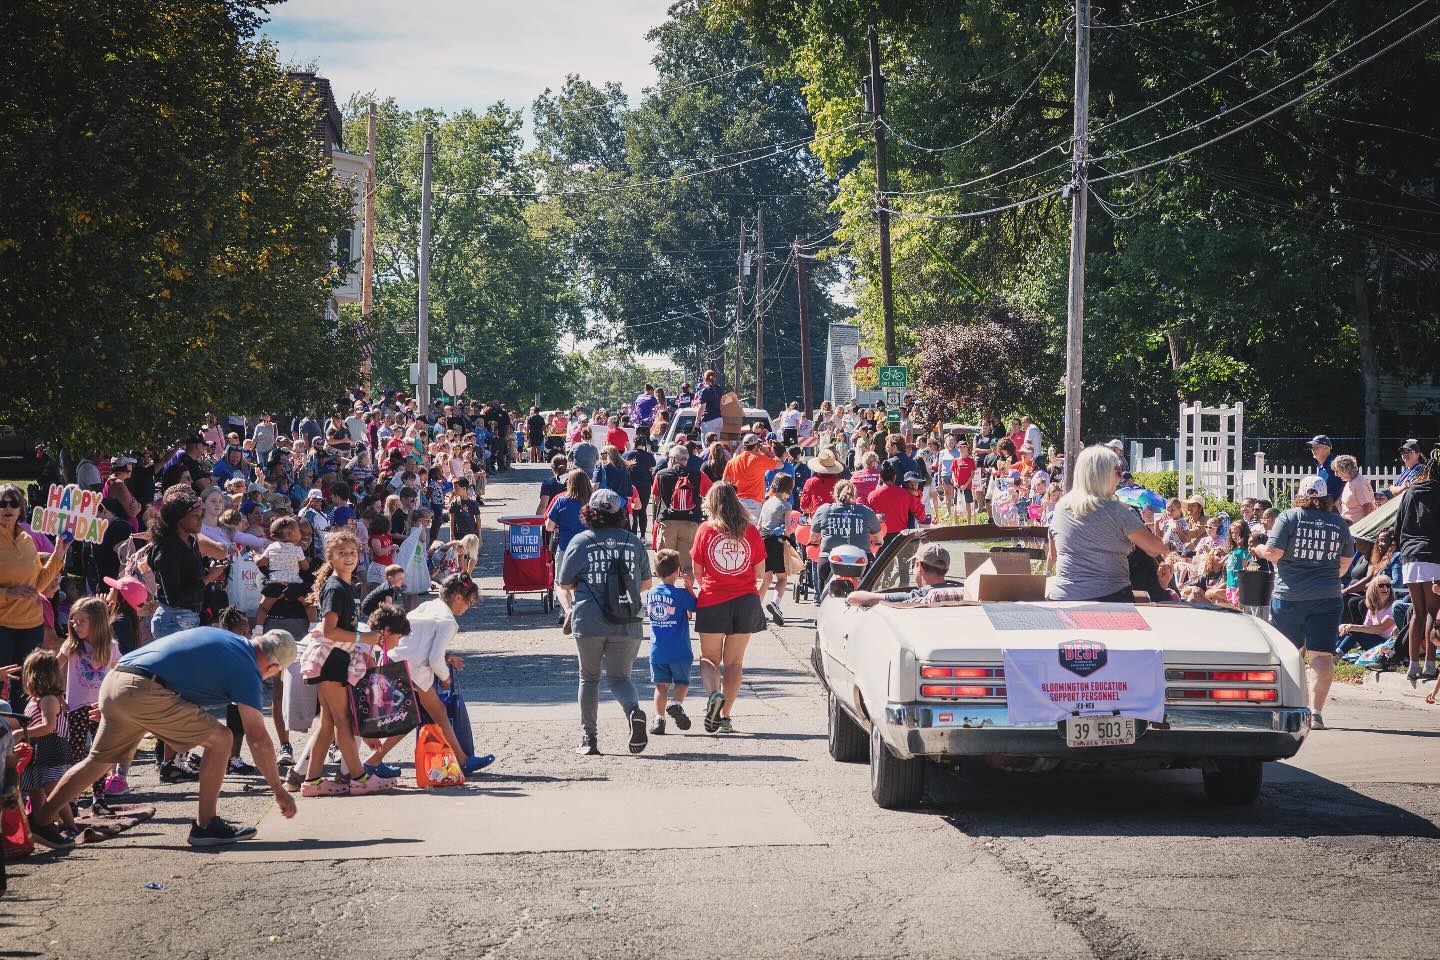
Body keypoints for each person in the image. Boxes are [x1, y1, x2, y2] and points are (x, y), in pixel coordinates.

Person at [27, 625, 298, 851]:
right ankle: (206, 826)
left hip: (117, 680)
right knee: (221, 739)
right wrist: (278, 790)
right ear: (274, 666)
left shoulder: (228, 639)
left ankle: (41, 821)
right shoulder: (247, 668)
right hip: (142, 689)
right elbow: (258, 738)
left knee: (98, 762)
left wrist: (121, 697)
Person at [297, 529, 393, 796]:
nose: (348, 557)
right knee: (343, 720)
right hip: (330, 659)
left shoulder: (346, 586)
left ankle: (312, 781)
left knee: (329, 721)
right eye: (341, 553)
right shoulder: (335, 588)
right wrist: (366, 638)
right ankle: (359, 778)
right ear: (330, 557)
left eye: (352, 552)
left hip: (337, 658)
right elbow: (330, 631)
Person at [557, 489, 653, 757]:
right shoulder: (633, 542)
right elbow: (646, 583)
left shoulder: (581, 541)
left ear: (590, 512)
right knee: (620, 678)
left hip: (589, 620)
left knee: (589, 678)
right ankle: (633, 711)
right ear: (620, 512)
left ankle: (589, 738)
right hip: (627, 619)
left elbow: (565, 582)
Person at [1252, 475, 1354, 729]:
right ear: (1325, 496)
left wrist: (1260, 550)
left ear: (1300, 494)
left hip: (1290, 596)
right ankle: (1316, 713)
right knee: (1323, 654)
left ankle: (1285, 705)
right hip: (1328, 596)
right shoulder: (1338, 522)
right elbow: (1345, 562)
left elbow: (1274, 553)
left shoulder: (1289, 517)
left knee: (1286, 652)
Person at [368, 582, 493, 776]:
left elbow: (418, 640)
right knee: (421, 716)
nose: (469, 607)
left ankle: (374, 761)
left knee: (425, 714)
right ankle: (462, 761)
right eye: (469, 602)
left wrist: (446, 657)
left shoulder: (428, 606)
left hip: (393, 658)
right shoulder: (448, 622)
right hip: (412, 669)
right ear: (458, 597)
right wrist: (445, 678)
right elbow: (434, 658)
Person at [690, 482, 766, 735]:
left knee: (708, 659)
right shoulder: (751, 530)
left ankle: (714, 694)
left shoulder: (705, 530)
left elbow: (697, 570)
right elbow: (759, 571)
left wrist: (709, 584)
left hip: (713, 600)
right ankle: (725, 718)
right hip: (745, 601)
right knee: (734, 663)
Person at [1045, 445, 1167, 602]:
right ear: (1103, 474)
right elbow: (1156, 548)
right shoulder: (1115, 509)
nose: (1120, 478)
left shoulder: (1060, 507)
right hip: (1110, 597)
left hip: (1063, 597)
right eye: (1118, 472)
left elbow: (1054, 556)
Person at [0, 483, 71, 714]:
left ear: (21, 508)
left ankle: (24, 731)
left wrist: (58, 554)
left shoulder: (27, 540)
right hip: (3, 627)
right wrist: (8, 593)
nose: (7, 508)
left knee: (27, 687)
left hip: (31, 626)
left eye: (13, 503)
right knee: (2, 687)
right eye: (2, 503)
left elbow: (38, 584)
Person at [1393, 447, 1440, 681]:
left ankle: (1413, 665)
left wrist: (1404, 549)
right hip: (1433, 554)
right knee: (1433, 610)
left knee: (1417, 612)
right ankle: (1430, 664)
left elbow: (1398, 524)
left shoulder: (1411, 492)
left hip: (1410, 556)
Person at [645, 549, 696, 736]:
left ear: (656, 572)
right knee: (682, 682)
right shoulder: (680, 594)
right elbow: (696, 607)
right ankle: (676, 703)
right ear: (678, 571)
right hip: (680, 650)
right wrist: (689, 589)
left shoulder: (651, 593)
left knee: (661, 686)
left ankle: (659, 719)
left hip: (658, 650)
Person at [808, 480, 882, 604]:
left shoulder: (824, 510)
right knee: (872, 584)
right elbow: (879, 537)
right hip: (861, 563)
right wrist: (878, 542)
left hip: (829, 562)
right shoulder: (866, 511)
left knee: (822, 577)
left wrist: (814, 542)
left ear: (834, 494)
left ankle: (822, 603)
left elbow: (813, 537)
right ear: (854, 494)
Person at [651, 444, 711, 585]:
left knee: (666, 561)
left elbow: (656, 497)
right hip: (690, 522)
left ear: (672, 459)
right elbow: (709, 492)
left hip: (668, 522)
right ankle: (688, 592)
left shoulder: (661, 474)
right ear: (686, 460)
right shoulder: (698, 474)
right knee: (687, 565)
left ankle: (667, 592)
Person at [846, 542, 953, 607]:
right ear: (946, 569)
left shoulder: (915, 597)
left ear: (919, 566)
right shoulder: (961, 591)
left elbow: (853, 598)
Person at [757, 473, 795, 627]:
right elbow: (787, 530)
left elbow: (759, 525)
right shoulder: (786, 505)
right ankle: (775, 604)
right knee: (782, 578)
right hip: (776, 542)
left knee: (766, 579)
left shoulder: (767, 502)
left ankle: (755, 609)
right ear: (789, 488)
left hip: (762, 541)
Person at [1335, 576, 1396, 657]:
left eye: (1388, 585)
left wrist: (1353, 627)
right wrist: (1345, 627)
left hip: (1389, 645)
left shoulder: (1393, 606)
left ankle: (1336, 656)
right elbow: (1366, 628)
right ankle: (1334, 652)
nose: (1385, 588)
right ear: (1373, 589)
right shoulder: (1373, 607)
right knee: (1351, 630)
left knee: (1355, 630)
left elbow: (1381, 628)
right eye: (1381, 586)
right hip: (1376, 643)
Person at [724, 433, 781, 519]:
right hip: (753, 503)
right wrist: (768, 452)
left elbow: (725, 482)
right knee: (753, 527)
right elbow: (780, 464)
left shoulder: (732, 462)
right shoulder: (760, 459)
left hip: (737, 503)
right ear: (756, 446)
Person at [545, 469, 592, 561]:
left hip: (566, 548)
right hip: (589, 548)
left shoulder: (561, 501)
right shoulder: (594, 501)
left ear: (570, 483)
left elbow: (549, 527)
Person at [800, 448, 845, 515]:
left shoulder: (811, 482)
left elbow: (804, 507)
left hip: (817, 517)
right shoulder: (840, 483)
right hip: (837, 518)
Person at [1333, 455, 1376, 524]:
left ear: (1346, 469)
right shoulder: (1350, 481)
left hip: (1357, 526)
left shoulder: (1360, 483)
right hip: (1349, 524)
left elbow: (1369, 507)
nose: (1335, 474)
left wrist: (1364, 526)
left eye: (1337, 471)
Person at [1308, 435, 1345, 503]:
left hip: (1337, 507)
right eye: (1312, 447)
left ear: (1327, 448)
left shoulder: (1337, 464)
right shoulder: (1321, 466)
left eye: (1317, 447)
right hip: (1324, 506)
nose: (1313, 449)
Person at [694, 369, 724, 436]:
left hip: (709, 420)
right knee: (716, 441)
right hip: (719, 419)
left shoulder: (704, 391)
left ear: (705, 379)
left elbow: (702, 408)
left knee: (707, 441)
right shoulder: (719, 388)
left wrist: (697, 420)